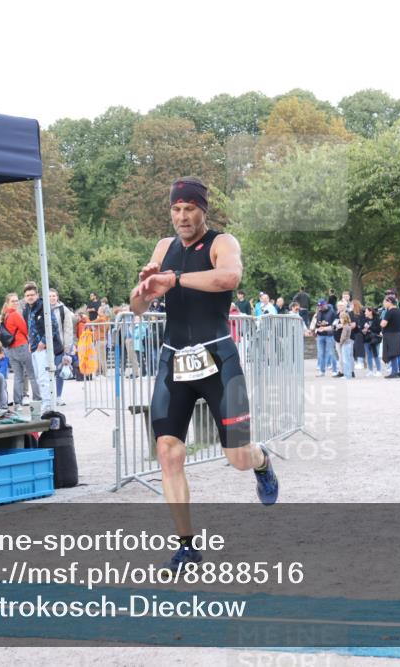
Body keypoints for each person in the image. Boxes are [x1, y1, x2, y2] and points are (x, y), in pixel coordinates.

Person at [128, 176, 278, 572]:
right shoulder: (163, 247)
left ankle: (262, 461)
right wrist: (144, 289)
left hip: (218, 359)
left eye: (189, 209)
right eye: (176, 210)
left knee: (239, 458)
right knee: (168, 452)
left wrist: (174, 279)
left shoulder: (222, 243)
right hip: (173, 360)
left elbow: (228, 278)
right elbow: (138, 307)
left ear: (202, 210)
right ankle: (187, 546)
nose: (182, 217)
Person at [23, 282, 59, 413]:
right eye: (27, 295)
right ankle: (45, 402)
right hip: (33, 347)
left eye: (32, 294)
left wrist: (43, 342)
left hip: (43, 348)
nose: (30, 297)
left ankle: (48, 405)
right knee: (39, 378)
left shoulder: (44, 306)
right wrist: (29, 342)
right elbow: (29, 327)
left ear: (37, 295)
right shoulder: (26, 309)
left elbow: (53, 326)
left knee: (44, 377)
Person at [0, 292, 36, 406]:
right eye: (13, 301)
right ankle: (38, 399)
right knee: (32, 374)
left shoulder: (5, 315)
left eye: (16, 301)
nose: (16, 303)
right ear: (8, 303)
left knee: (18, 376)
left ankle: (17, 401)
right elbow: (26, 330)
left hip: (10, 348)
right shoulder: (15, 314)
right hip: (21, 346)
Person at [49, 288, 76, 406]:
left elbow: (68, 329)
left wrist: (67, 347)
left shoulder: (63, 310)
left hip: (60, 346)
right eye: (49, 296)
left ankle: (58, 396)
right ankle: (49, 396)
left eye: (54, 296)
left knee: (59, 371)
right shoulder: (42, 309)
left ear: (57, 297)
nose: (52, 298)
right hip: (46, 346)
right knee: (46, 373)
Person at [380, 295, 400, 378]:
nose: (384, 304)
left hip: (390, 334)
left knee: (392, 353)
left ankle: (394, 372)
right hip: (397, 333)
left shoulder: (389, 312)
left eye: (384, 302)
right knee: (397, 353)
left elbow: (383, 324)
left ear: (389, 302)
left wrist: (381, 323)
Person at [310, 299, 337, 377]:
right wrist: (314, 332)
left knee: (331, 353)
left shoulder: (332, 312)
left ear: (325, 305)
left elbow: (334, 325)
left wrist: (326, 328)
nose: (320, 308)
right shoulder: (318, 312)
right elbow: (316, 324)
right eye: (319, 306)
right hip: (320, 336)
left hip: (329, 335)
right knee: (321, 354)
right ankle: (322, 371)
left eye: (321, 306)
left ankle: (335, 370)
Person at [362, 306, 383, 376]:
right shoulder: (364, 319)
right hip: (366, 338)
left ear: (370, 312)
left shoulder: (377, 319)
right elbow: (361, 328)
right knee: (368, 355)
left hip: (375, 339)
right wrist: (364, 330)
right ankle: (370, 370)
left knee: (376, 354)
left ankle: (379, 370)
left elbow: (378, 329)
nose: (365, 313)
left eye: (366, 311)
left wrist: (369, 328)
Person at [337, 312, 354, 379]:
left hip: (345, 344)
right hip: (348, 344)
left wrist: (340, 343)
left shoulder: (345, 327)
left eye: (341, 318)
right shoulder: (348, 326)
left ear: (344, 319)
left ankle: (347, 375)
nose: (340, 320)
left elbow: (343, 337)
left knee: (345, 360)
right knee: (348, 360)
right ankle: (348, 374)